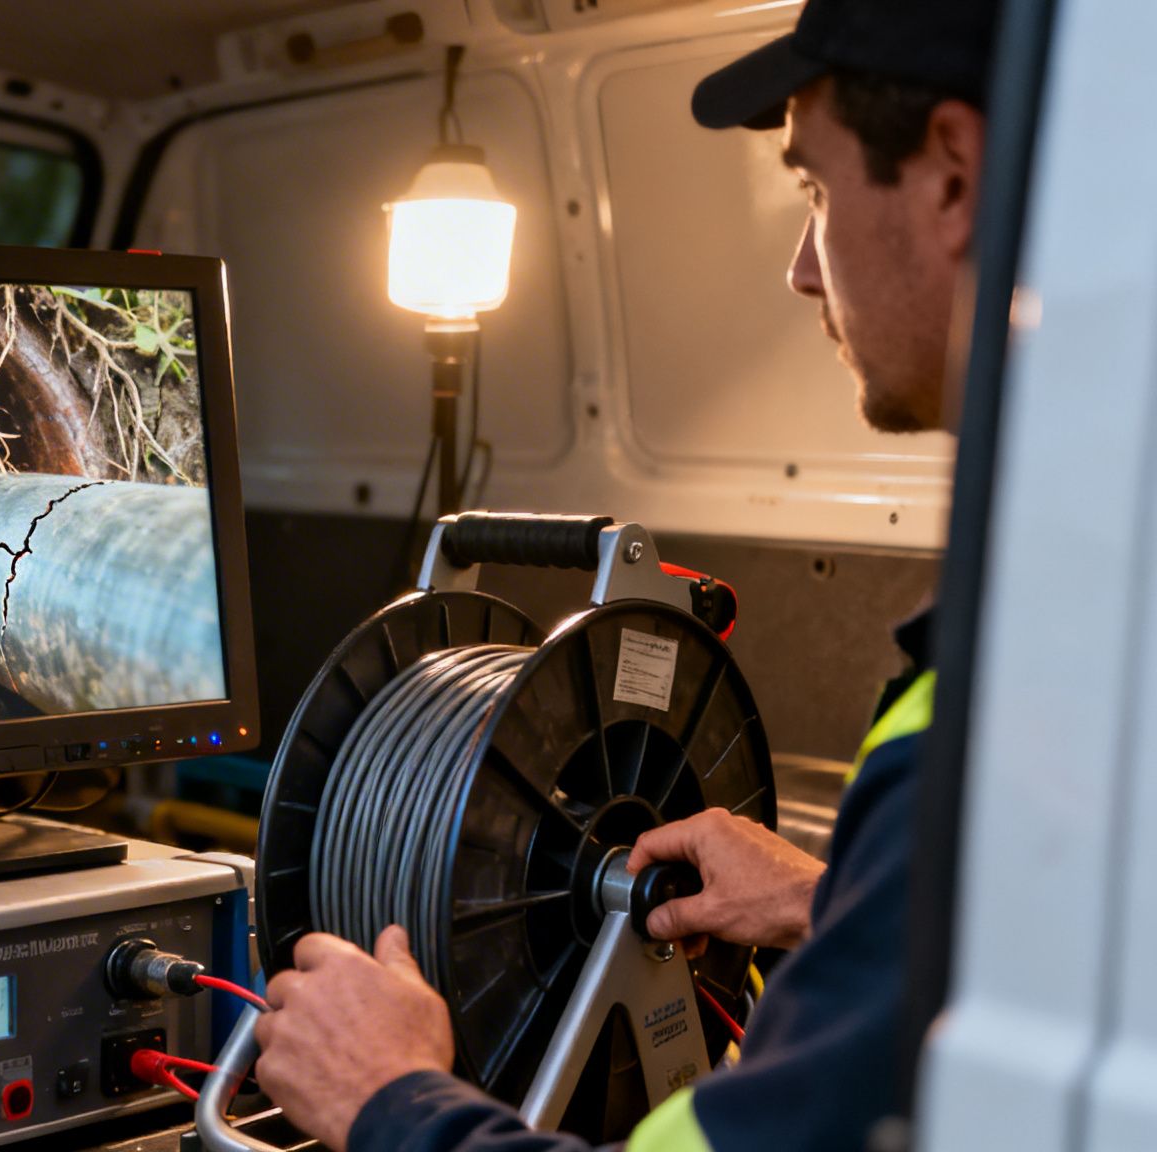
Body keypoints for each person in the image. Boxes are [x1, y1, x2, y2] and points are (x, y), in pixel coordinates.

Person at [250, 1, 997, 1150]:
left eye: (812, 189)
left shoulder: (1018, 693)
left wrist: (388, 1101)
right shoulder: (1060, 624)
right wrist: (823, 900)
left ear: (952, 174)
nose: (802, 268)